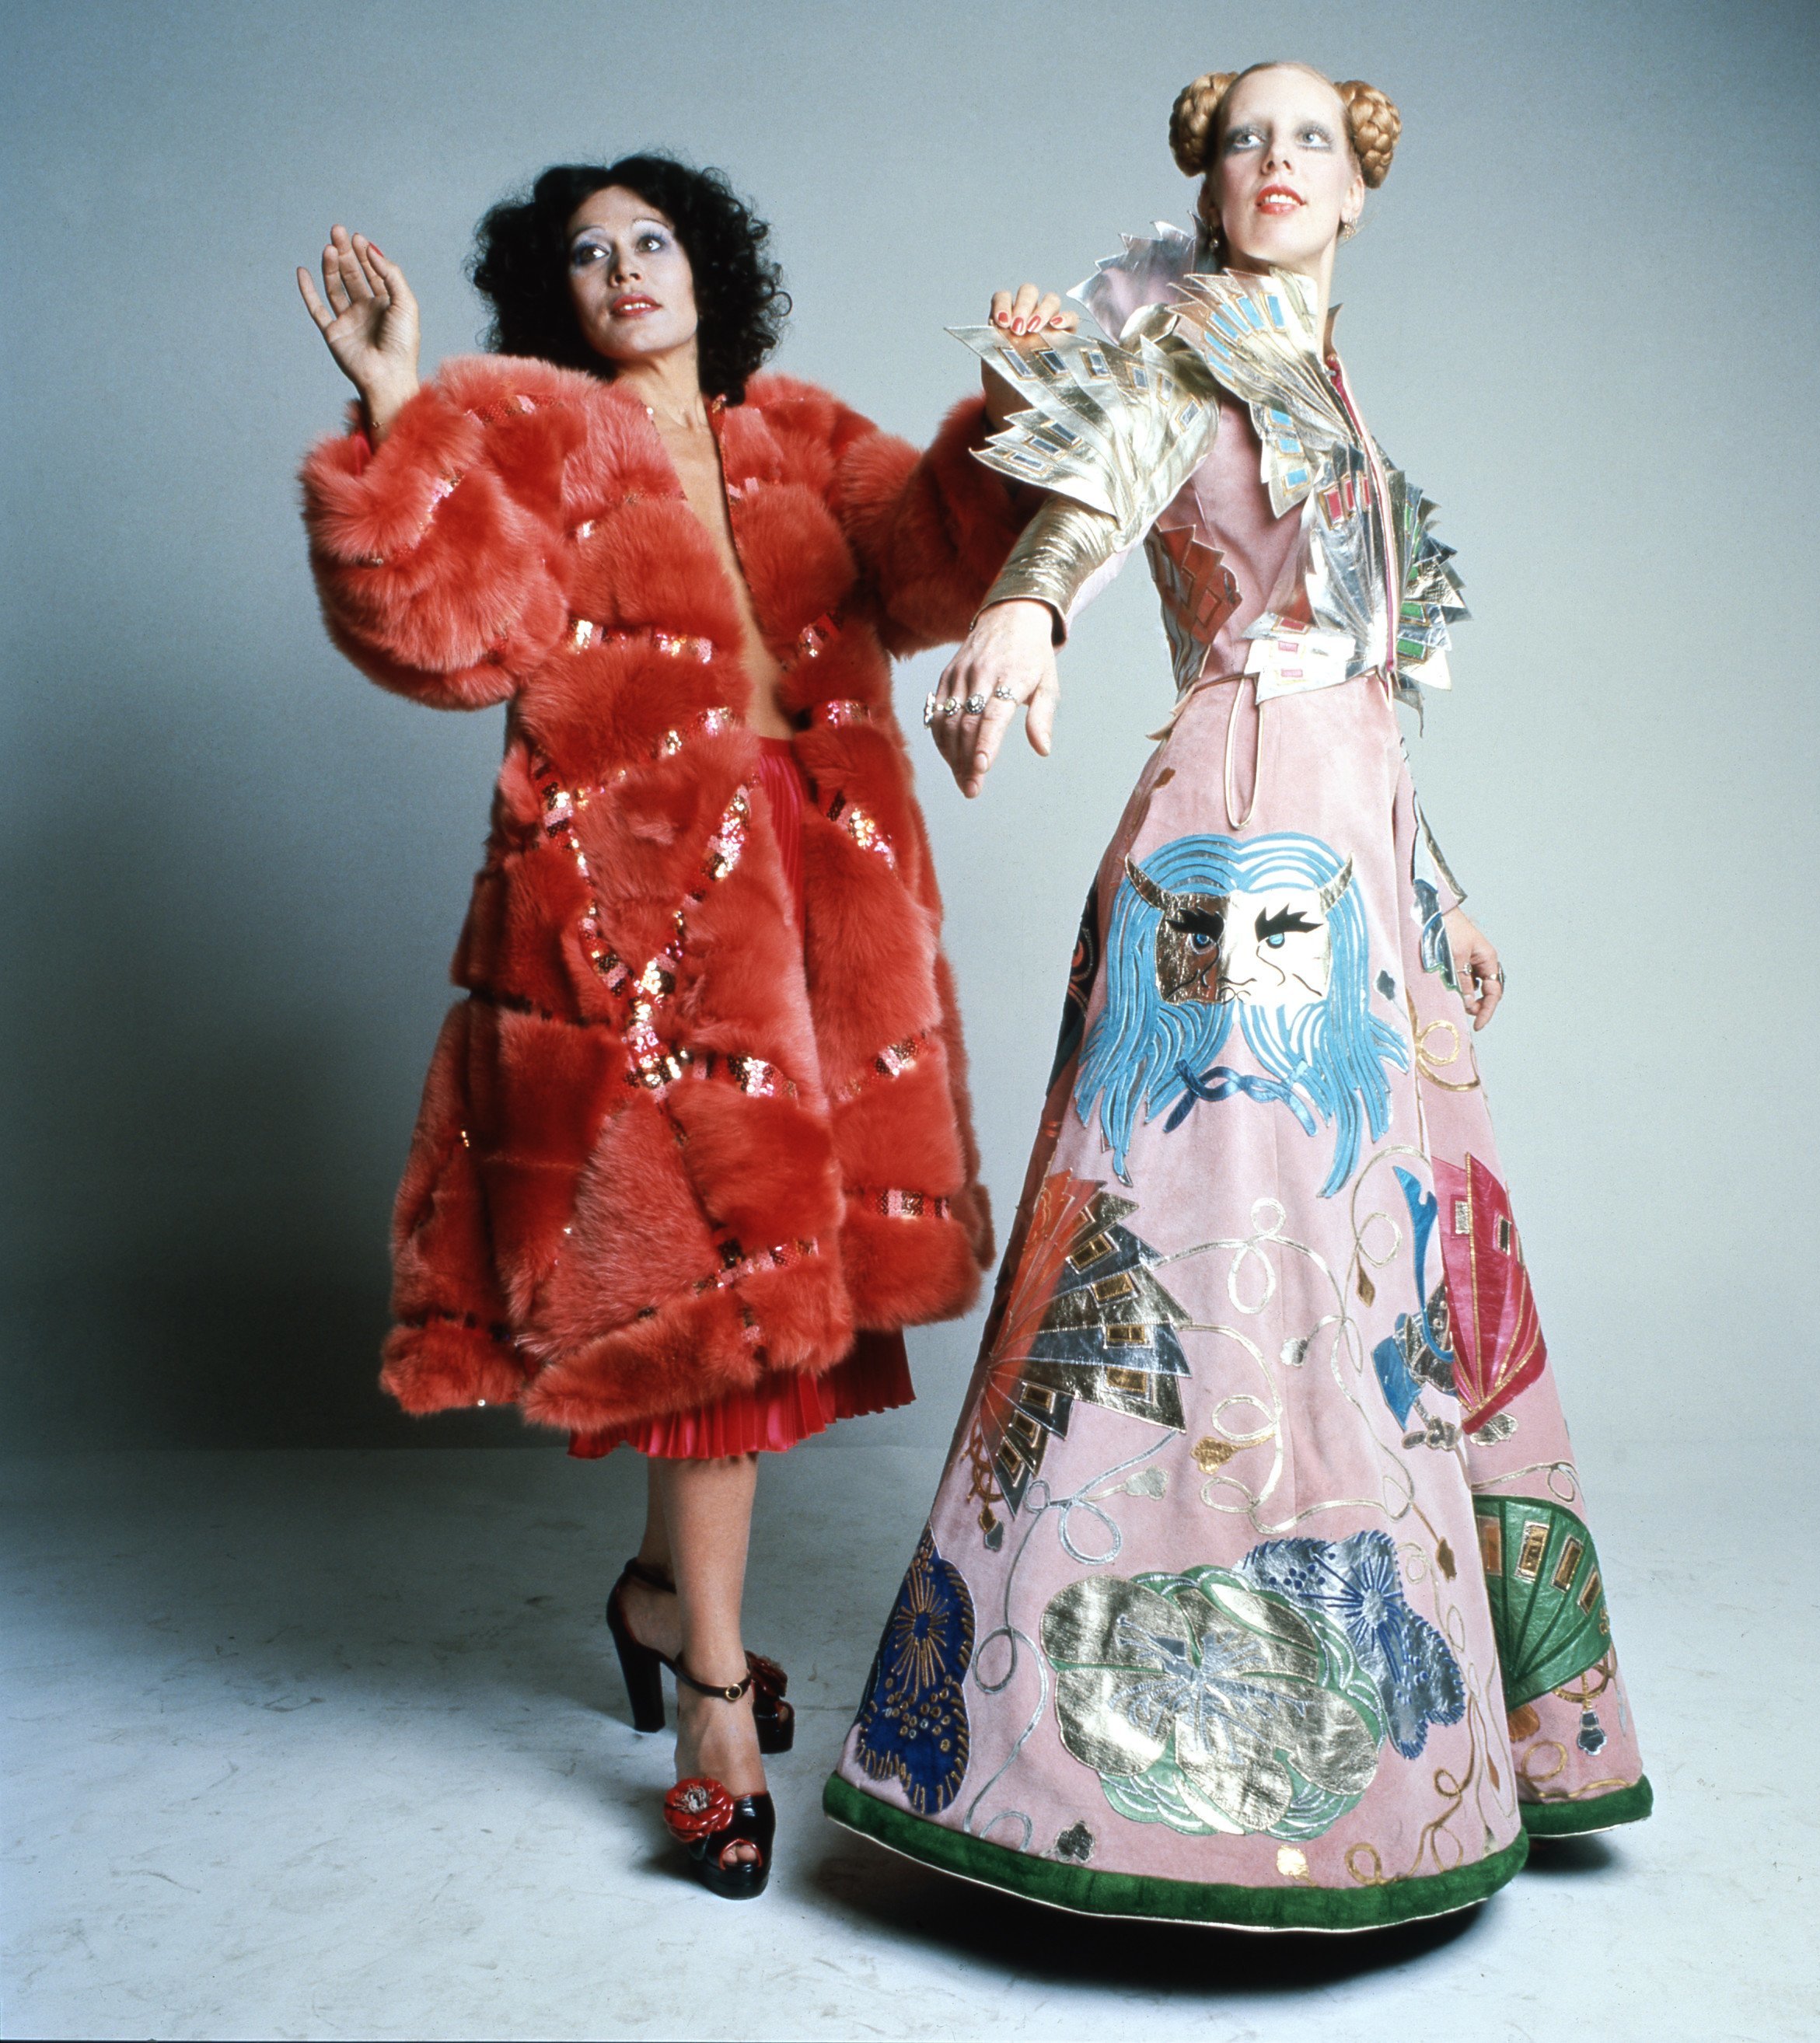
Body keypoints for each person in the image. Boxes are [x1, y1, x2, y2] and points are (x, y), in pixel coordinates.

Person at [825, 64, 1651, 1930]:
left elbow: (1367, 680)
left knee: (1367, 1275)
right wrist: (1028, 611)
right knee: (1205, 1257)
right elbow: (1102, 485)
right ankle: (1122, 1779)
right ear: (1203, 183)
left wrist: (1437, 889)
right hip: (1242, 854)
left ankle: (1391, 1745)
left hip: (1355, 859)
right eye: (1241, 140)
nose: (1273, 163)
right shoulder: (1177, 343)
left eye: (1309, 142)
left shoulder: (1332, 387)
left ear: (1356, 190)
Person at [296, 154, 1068, 1899]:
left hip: (823, 926)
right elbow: (447, 632)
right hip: (634, 928)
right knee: (715, 1316)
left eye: (652, 240)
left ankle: (660, 1600)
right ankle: (713, 1695)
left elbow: (936, 564)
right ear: (554, 297)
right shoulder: (527, 437)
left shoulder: (802, 436)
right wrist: (400, 398)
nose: (626, 269)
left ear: (707, 266)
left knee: (753, 1310)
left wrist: (1014, 404)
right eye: (588, 254)